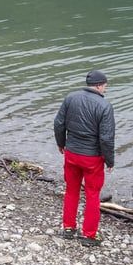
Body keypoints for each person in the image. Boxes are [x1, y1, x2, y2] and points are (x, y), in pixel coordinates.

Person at [53, 70, 115, 247]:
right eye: (105, 86)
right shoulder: (104, 106)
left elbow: (59, 123)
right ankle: (89, 235)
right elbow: (106, 138)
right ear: (99, 85)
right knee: (92, 195)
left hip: (71, 153)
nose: (105, 89)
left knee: (71, 191)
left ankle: (68, 227)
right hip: (92, 159)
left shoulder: (70, 98)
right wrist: (110, 160)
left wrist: (61, 143)